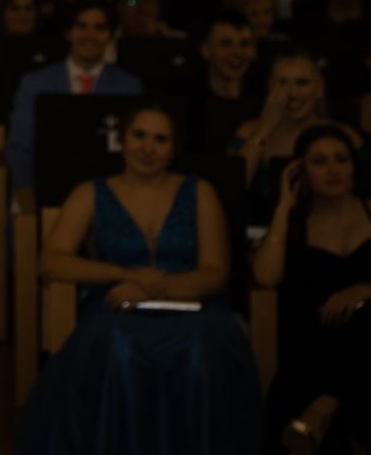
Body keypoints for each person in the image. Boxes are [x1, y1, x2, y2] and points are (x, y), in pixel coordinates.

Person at [17, 99, 258, 452]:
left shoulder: (200, 191)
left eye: (160, 140)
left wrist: (157, 286)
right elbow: (51, 261)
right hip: (115, 305)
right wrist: (124, 275)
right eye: (139, 136)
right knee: (117, 346)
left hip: (192, 308)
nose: (148, 148)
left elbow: (215, 273)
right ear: (122, 139)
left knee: (202, 348)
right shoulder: (91, 192)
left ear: (174, 148)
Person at [253, 124, 371, 454]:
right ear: (301, 170)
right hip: (316, 346)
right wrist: (284, 205)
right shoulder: (296, 223)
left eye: (341, 159)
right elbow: (266, 277)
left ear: (354, 166)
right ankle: (332, 409)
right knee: (312, 361)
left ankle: (325, 406)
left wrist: (365, 290)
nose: (332, 170)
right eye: (319, 161)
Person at [5, 0, 141, 187]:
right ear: (69, 32)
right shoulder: (35, 83)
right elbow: (20, 147)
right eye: (82, 26)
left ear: (110, 35)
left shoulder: (129, 86)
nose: (89, 35)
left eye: (99, 28)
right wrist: (26, 194)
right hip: (47, 186)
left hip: (111, 190)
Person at [230, 49, 363, 224]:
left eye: (302, 83)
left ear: (319, 88)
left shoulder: (344, 136)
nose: (292, 94)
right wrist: (264, 128)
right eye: (282, 83)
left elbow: (366, 193)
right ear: (269, 88)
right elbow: (230, 187)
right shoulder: (248, 131)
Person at [187, 12, 260, 157]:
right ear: (206, 50)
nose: (237, 52)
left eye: (244, 44)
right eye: (226, 44)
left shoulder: (263, 100)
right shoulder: (188, 104)